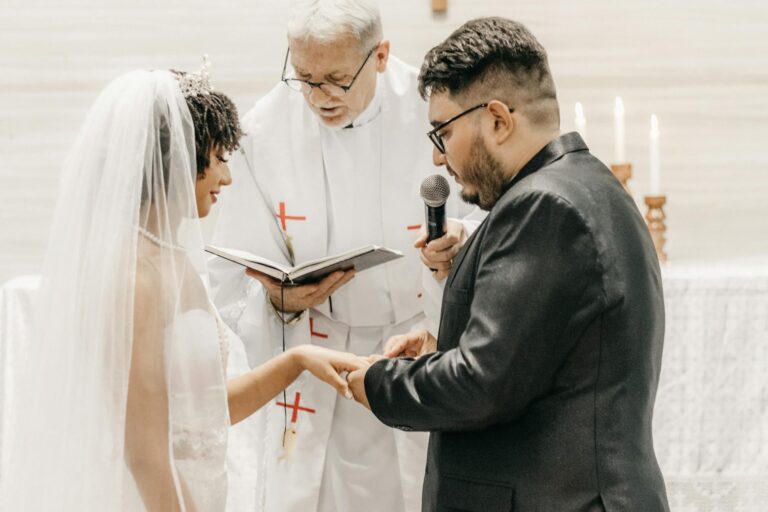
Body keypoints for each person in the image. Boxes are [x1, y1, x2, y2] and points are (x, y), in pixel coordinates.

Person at [1, 66, 365, 512]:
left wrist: (298, 360)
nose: (227, 179)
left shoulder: (170, 260)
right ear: (180, 161)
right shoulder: (134, 276)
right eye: (219, 159)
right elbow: (145, 454)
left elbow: (202, 415)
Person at [348, 17, 671, 511]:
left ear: (497, 119)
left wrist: (377, 382)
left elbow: (481, 386)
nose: (439, 159)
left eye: (444, 133)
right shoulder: (592, 187)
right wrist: (442, 348)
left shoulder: (542, 207)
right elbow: (542, 363)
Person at [207, 1, 481, 511]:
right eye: (303, 76)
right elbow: (230, 278)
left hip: (422, 341)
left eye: (334, 79)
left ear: (380, 55)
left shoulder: (440, 110)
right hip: (319, 363)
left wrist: (459, 242)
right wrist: (280, 303)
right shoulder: (264, 131)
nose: (316, 97)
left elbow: (495, 214)